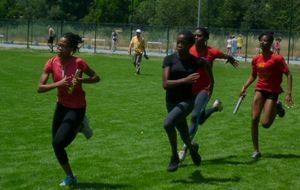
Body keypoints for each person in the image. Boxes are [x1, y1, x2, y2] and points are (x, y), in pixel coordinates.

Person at [37, 32, 100, 186]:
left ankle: (79, 125)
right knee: (56, 144)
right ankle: (70, 177)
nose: (59, 48)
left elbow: (96, 77)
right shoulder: (51, 63)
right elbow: (40, 88)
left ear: (71, 49)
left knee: (58, 143)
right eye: (59, 45)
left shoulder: (79, 62)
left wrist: (81, 80)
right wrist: (58, 84)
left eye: (64, 46)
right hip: (61, 106)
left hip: (77, 107)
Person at [178, 27, 239, 161]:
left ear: (205, 38)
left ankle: (184, 148)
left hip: (205, 89)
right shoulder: (189, 50)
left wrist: (230, 58)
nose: (196, 37)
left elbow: (224, 55)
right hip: (189, 89)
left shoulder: (211, 51)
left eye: (199, 36)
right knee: (199, 118)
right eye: (195, 35)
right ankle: (216, 108)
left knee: (194, 116)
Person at [162, 30, 211, 172]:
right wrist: (185, 80)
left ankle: (174, 157)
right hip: (171, 102)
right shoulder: (169, 59)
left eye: (183, 43)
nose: (179, 45)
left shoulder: (196, 61)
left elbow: (207, 66)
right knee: (184, 133)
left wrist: (211, 85)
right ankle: (193, 150)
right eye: (178, 42)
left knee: (168, 123)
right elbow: (165, 84)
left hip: (187, 101)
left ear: (191, 44)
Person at [239, 32, 293, 160]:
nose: (264, 43)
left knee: (265, 124)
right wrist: (244, 86)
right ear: (259, 42)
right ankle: (256, 150)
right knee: (254, 119)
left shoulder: (277, 59)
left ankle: (277, 107)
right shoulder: (256, 59)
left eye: (266, 41)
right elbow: (253, 75)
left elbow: (289, 75)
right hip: (260, 90)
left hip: (273, 92)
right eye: (262, 40)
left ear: (271, 43)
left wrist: (289, 94)